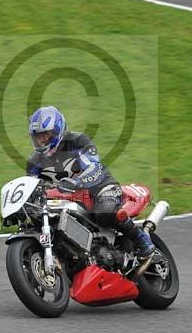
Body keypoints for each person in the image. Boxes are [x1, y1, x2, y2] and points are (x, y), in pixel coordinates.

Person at [25, 105, 155, 259]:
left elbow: (94, 167)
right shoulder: (34, 161)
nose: (41, 140)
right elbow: (32, 185)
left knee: (104, 210)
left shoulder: (78, 141)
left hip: (100, 187)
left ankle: (142, 239)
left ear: (57, 130)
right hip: (68, 199)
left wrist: (77, 182)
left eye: (45, 134)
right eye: (38, 136)